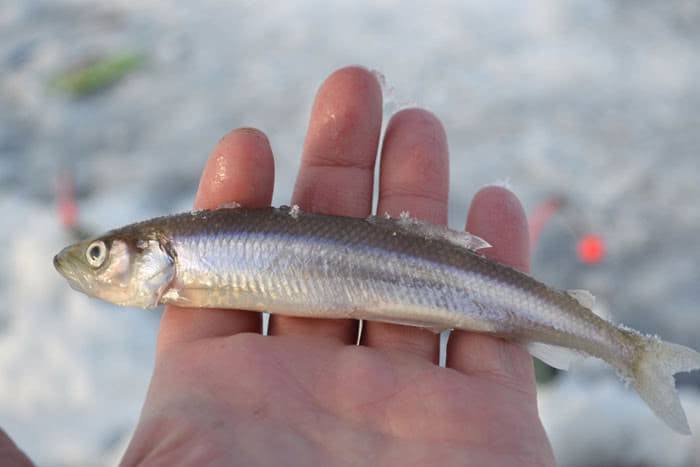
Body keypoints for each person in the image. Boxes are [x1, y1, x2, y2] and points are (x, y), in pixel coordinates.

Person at [2, 66, 556, 467]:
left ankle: (616, 345)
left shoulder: (184, 260)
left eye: (101, 256)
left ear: (154, 250)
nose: (92, 263)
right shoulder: (185, 268)